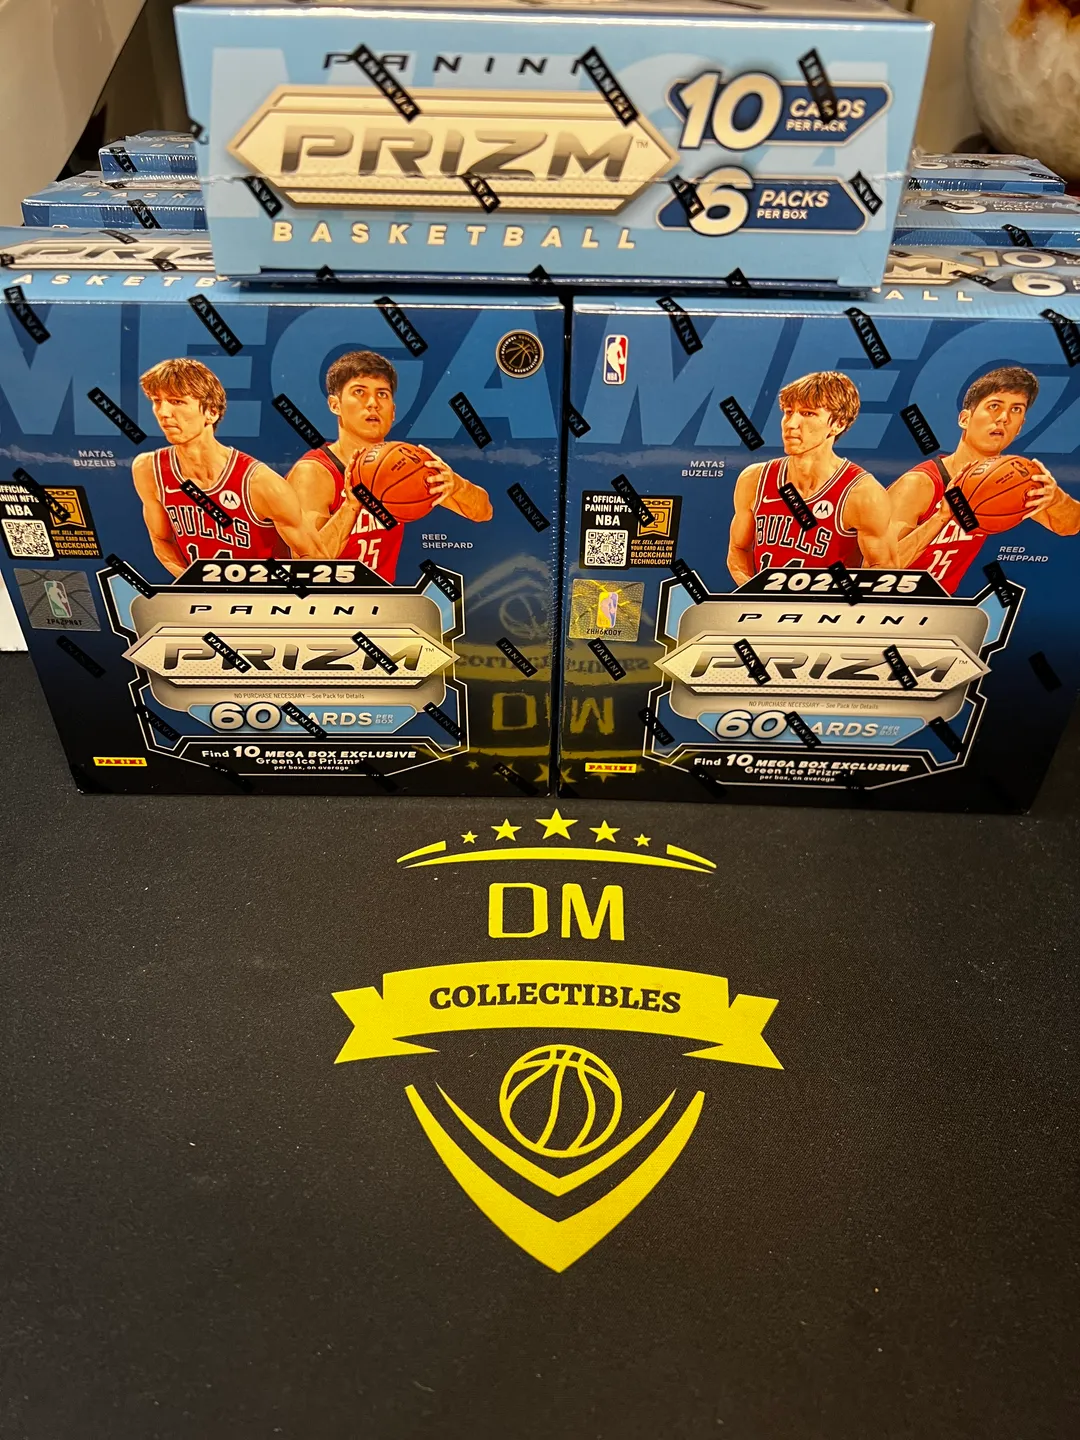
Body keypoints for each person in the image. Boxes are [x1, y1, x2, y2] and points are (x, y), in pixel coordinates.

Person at [286, 350, 492, 583]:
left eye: (382, 394)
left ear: (393, 411)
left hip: (381, 600)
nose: (373, 403)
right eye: (359, 392)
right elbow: (306, 565)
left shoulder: (404, 467)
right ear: (335, 405)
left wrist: (456, 485)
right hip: (323, 602)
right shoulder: (314, 472)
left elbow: (483, 511)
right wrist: (351, 507)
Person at [888, 366, 1080, 594]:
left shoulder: (1006, 484)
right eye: (994, 406)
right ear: (964, 419)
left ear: (1020, 427)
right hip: (878, 605)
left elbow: (1070, 525)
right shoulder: (920, 484)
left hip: (937, 606)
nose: (1004, 418)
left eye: (1016, 410)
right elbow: (876, 567)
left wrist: (1056, 499)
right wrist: (940, 518)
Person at [133, 358, 323, 577]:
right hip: (205, 595)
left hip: (264, 595)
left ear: (211, 412)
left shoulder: (259, 483)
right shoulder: (149, 470)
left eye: (177, 401)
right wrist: (193, 584)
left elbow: (316, 558)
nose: (163, 412)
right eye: (157, 401)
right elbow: (161, 539)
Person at [727, 370, 896, 585]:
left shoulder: (862, 494)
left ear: (838, 424)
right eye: (788, 412)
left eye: (808, 413)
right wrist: (753, 593)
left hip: (831, 605)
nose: (791, 424)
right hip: (767, 604)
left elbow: (884, 571)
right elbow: (738, 549)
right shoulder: (754, 479)